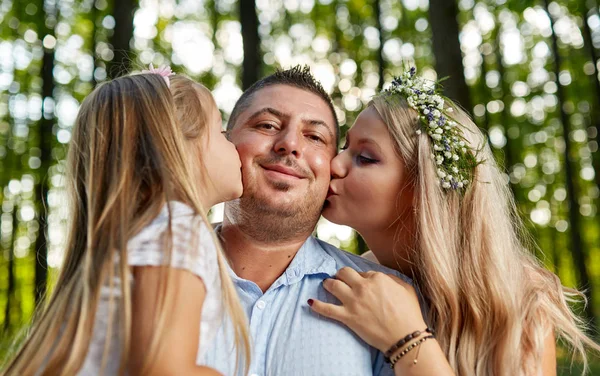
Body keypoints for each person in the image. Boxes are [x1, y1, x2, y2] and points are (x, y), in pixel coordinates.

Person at [310, 67, 600, 375]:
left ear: (423, 189)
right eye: (345, 147)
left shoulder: (518, 303)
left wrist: (407, 340)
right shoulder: (345, 282)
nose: (335, 164)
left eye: (365, 158)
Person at [1, 70, 250, 375]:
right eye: (221, 133)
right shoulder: (178, 228)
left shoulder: (137, 239)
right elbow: (164, 370)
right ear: (176, 146)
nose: (233, 146)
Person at [202, 65, 414, 375]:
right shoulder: (138, 263)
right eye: (267, 125)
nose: (290, 144)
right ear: (225, 142)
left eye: (314, 136)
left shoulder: (391, 301)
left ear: (331, 168)